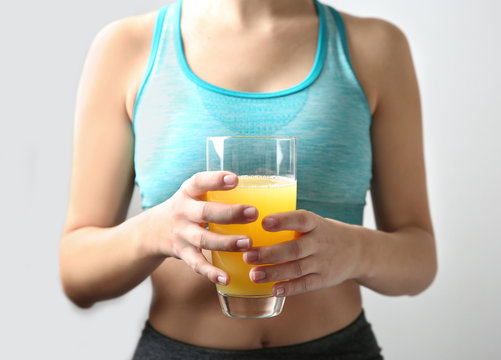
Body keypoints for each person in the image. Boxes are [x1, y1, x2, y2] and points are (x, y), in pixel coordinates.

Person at [60, 0, 437, 358]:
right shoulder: (127, 47)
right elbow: (78, 276)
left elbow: (419, 259)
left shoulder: (376, 48)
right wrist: (156, 231)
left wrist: (355, 251)